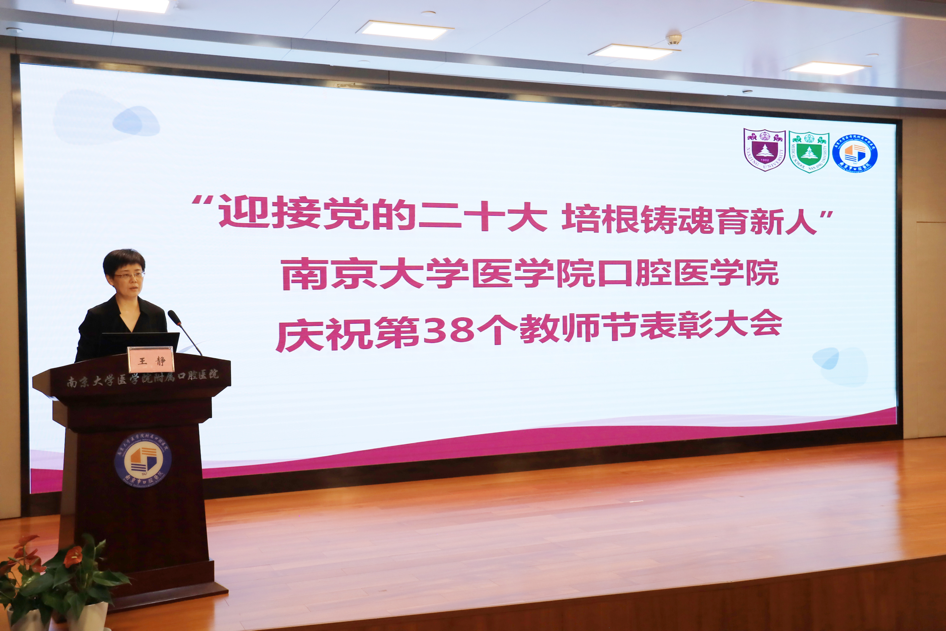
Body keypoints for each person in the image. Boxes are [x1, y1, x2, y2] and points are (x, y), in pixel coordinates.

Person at [74, 249, 168, 363]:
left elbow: (164, 360)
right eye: (126, 275)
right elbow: (82, 363)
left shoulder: (156, 313)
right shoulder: (97, 316)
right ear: (110, 279)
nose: (134, 280)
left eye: (138, 273)